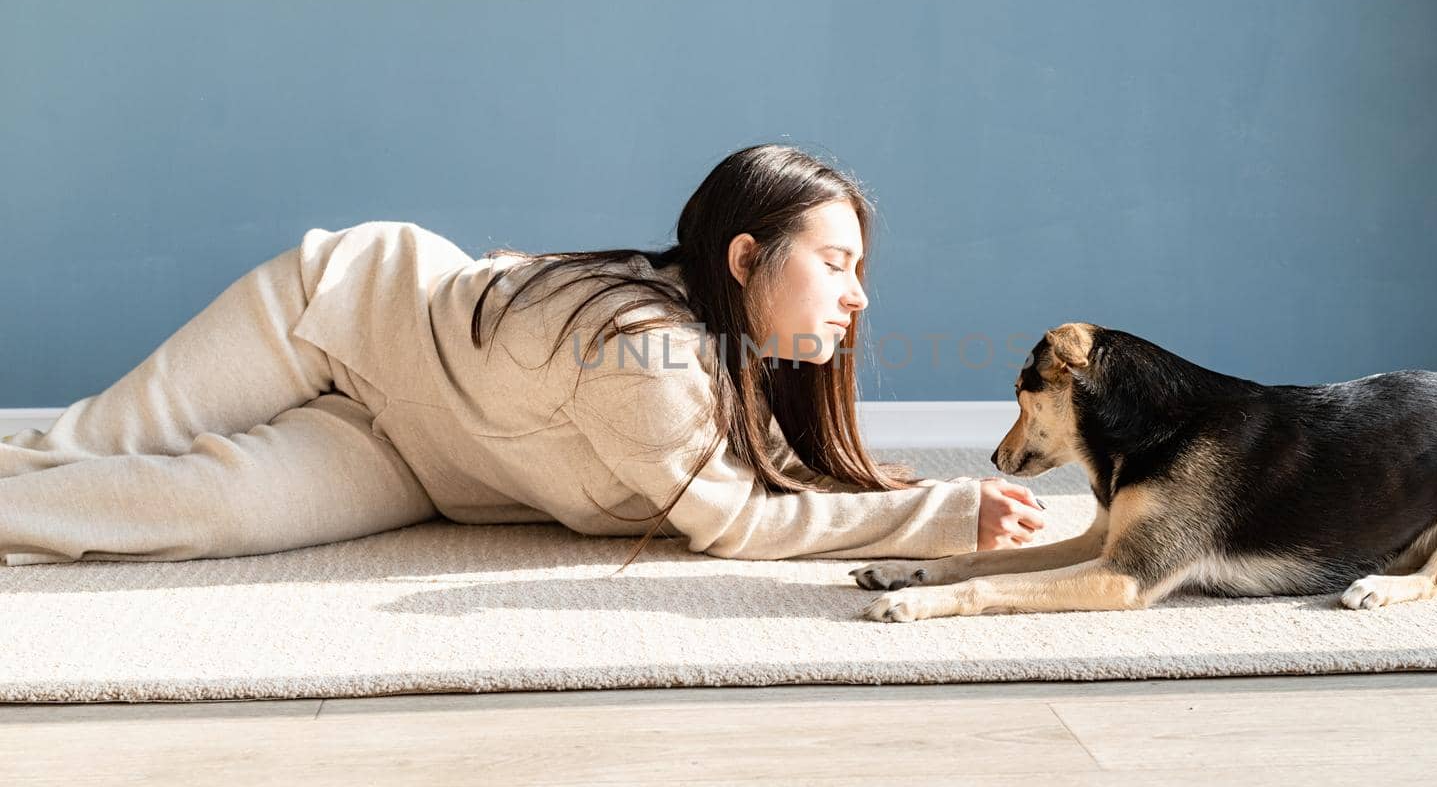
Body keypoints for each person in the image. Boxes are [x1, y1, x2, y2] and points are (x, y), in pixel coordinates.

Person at [0, 144, 1048, 568]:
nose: (860, 293)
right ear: (745, 257)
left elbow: (760, 484)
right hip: (341, 309)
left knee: (205, 515)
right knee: (84, 447)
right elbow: (734, 524)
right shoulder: (651, 359)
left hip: (420, 455)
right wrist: (943, 513)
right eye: (835, 262)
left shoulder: (734, 374)